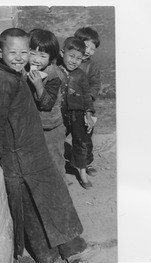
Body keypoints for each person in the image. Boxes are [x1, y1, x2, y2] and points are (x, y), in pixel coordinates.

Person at [0, 28, 87, 263]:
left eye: (24, 52)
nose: (20, 57)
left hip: (33, 150)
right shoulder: (1, 80)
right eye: (13, 52)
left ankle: (69, 247)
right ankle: (47, 254)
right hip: (19, 155)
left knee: (52, 195)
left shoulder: (16, 74)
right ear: (0, 52)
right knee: (31, 203)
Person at [27, 29, 66, 179]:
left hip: (51, 127)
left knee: (54, 161)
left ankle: (60, 195)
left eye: (42, 56)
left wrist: (38, 85)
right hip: (33, 125)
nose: (36, 60)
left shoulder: (54, 75)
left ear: (51, 58)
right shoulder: (26, 69)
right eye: (32, 53)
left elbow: (47, 104)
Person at [59, 36, 96, 189]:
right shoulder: (56, 70)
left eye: (79, 59)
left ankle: (82, 172)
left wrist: (88, 113)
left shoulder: (80, 75)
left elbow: (87, 96)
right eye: (71, 56)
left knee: (80, 142)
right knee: (56, 143)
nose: (74, 61)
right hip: (59, 114)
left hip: (77, 114)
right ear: (62, 53)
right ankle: (59, 172)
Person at [74, 27, 101, 176]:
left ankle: (86, 162)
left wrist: (88, 99)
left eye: (93, 48)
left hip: (84, 106)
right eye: (87, 46)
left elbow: (95, 85)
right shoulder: (68, 58)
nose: (89, 51)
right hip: (66, 105)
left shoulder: (92, 66)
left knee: (86, 136)